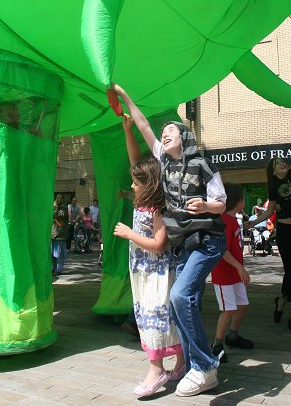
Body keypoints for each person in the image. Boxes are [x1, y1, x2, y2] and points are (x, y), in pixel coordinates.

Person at [114, 85, 226, 397]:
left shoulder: (202, 165)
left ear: (185, 138)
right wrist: (125, 95)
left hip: (207, 239)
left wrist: (206, 206)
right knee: (183, 304)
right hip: (184, 244)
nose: (164, 134)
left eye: (171, 131)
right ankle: (191, 365)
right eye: (163, 133)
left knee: (178, 297)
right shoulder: (163, 162)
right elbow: (143, 125)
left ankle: (203, 365)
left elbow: (222, 203)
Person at [113, 114, 184, 397]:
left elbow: (158, 244)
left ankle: (156, 371)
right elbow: (135, 161)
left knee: (154, 316)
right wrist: (128, 131)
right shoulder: (144, 197)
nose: (132, 186)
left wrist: (130, 234)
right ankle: (181, 362)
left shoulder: (158, 209)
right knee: (155, 315)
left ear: (149, 185)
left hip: (156, 273)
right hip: (142, 272)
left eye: (135, 183)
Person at [245, 133, 291, 333]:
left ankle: (281, 302)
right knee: (290, 271)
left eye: (282, 162)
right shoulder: (274, 188)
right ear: (273, 172)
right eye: (277, 163)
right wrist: (253, 222)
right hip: (285, 232)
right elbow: (269, 211)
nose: (282, 163)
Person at [211, 183, 253, 364]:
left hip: (235, 274)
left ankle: (233, 336)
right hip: (224, 275)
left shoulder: (233, 219)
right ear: (237, 201)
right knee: (228, 310)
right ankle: (217, 345)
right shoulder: (223, 222)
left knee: (242, 305)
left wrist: (239, 269)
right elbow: (223, 251)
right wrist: (239, 267)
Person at [51, 194, 68, 275]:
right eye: (57, 198)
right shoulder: (53, 207)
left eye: (61, 198)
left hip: (60, 234)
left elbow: (59, 215)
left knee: (59, 253)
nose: (59, 200)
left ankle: (59, 269)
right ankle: (53, 268)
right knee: (52, 253)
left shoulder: (64, 207)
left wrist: (56, 208)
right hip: (53, 233)